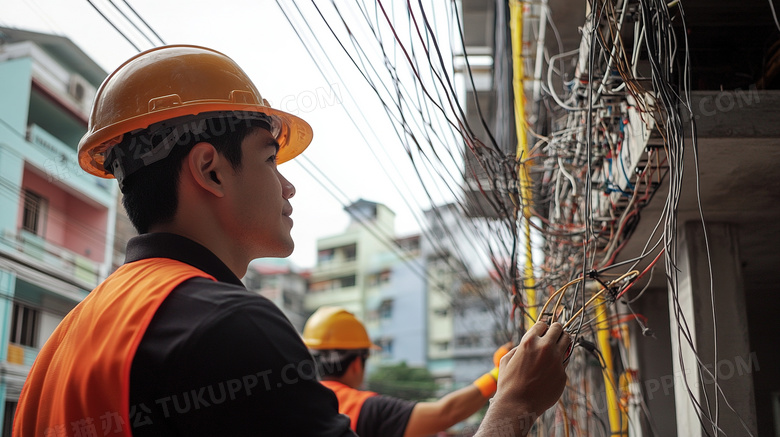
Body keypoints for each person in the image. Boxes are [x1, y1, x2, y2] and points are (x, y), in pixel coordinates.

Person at [12, 44, 571, 437]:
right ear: (210, 170)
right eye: (270, 157)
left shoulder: (59, 349)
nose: (289, 185)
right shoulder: (225, 324)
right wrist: (515, 403)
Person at [302, 306, 514, 437]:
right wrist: (497, 375)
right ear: (357, 362)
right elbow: (445, 414)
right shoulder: (365, 408)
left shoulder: (300, 404)